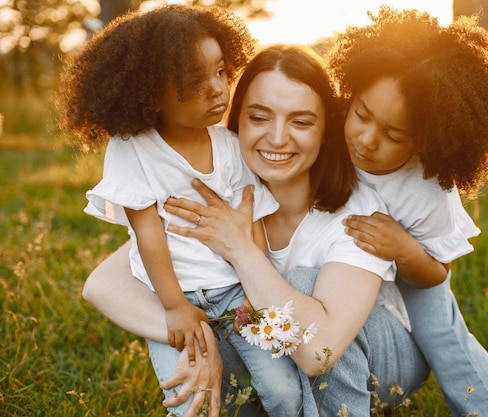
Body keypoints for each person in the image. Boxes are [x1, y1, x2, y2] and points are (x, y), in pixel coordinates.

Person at [82, 44, 432, 417]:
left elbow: (320, 353)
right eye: (259, 117)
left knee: (297, 283)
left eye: (301, 121)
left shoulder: (357, 215)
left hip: (382, 355)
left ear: (326, 129)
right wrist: (202, 340)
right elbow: (102, 286)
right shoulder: (215, 194)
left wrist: (241, 249)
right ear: (236, 121)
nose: (278, 138)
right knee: (227, 313)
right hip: (285, 355)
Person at [56, 5, 311, 417]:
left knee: (284, 394)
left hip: (236, 294)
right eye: (195, 80)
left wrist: (256, 288)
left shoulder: (229, 144)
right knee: (190, 402)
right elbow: (149, 234)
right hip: (170, 297)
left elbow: (253, 219)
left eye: (220, 71)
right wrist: (174, 307)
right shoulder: (132, 148)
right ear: (149, 93)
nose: (217, 89)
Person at [330, 6, 488, 417]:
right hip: (347, 276)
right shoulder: (331, 130)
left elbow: (436, 274)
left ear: (426, 140)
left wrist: (404, 250)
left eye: (393, 135)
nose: (367, 140)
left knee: (443, 335)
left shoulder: (426, 190)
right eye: (362, 115)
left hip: (410, 279)